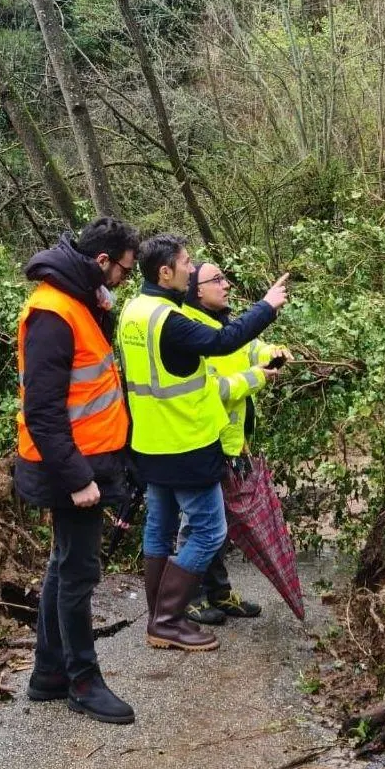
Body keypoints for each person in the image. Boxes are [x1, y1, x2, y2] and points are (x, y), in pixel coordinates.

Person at [117, 234, 288, 653]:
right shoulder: (169, 319)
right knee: (210, 532)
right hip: (186, 442)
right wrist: (267, 306)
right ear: (165, 272)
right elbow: (221, 343)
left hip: (149, 441)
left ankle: (159, 615)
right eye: (187, 264)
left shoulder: (133, 310)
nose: (191, 271)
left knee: (159, 529)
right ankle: (169, 619)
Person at [14, 216, 140, 724]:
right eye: (124, 272)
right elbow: (42, 411)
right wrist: (80, 479)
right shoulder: (52, 313)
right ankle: (82, 681)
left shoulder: (78, 304)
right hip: (70, 469)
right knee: (79, 572)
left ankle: (48, 674)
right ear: (102, 262)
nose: (125, 282)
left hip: (87, 461)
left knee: (63, 564)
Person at [181, 261, 291, 626]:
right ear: (196, 289)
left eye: (225, 278)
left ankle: (219, 592)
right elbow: (214, 390)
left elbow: (251, 346)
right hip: (203, 441)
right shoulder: (193, 331)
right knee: (197, 524)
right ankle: (187, 597)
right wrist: (256, 378)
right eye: (217, 280)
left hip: (231, 443)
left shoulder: (223, 324)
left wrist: (273, 353)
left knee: (220, 524)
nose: (226, 285)